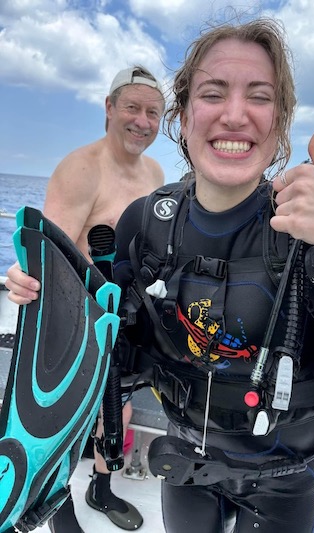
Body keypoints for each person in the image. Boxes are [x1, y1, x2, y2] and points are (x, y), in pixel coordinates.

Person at [7, 18, 314, 533]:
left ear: (279, 121)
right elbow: (108, 355)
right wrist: (49, 296)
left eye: (258, 96)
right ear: (184, 115)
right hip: (185, 465)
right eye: (214, 93)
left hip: (289, 478)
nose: (235, 115)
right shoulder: (146, 222)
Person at [5, 65, 165, 532]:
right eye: (132, 108)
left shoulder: (154, 171)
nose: (142, 121)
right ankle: (58, 499)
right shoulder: (81, 169)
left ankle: (101, 487)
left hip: (129, 315)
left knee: (120, 407)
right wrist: (22, 277)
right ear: (109, 108)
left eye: (152, 112)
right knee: (72, 413)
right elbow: (49, 257)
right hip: (81, 318)